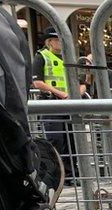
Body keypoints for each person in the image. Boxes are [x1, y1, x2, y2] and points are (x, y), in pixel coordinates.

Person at [31, 27, 78, 185]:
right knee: (56, 140)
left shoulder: (68, 57)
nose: (60, 43)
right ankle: (59, 175)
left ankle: (72, 174)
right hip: (51, 103)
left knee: (72, 140)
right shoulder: (42, 56)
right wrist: (60, 93)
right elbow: (37, 82)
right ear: (50, 41)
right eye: (57, 40)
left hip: (68, 103)